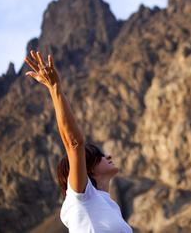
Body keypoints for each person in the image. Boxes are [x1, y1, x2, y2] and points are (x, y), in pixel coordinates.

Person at [25, 50, 133, 233]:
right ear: (87, 168)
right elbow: (74, 144)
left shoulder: (110, 206)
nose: (108, 155)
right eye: (99, 155)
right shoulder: (82, 197)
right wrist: (54, 87)